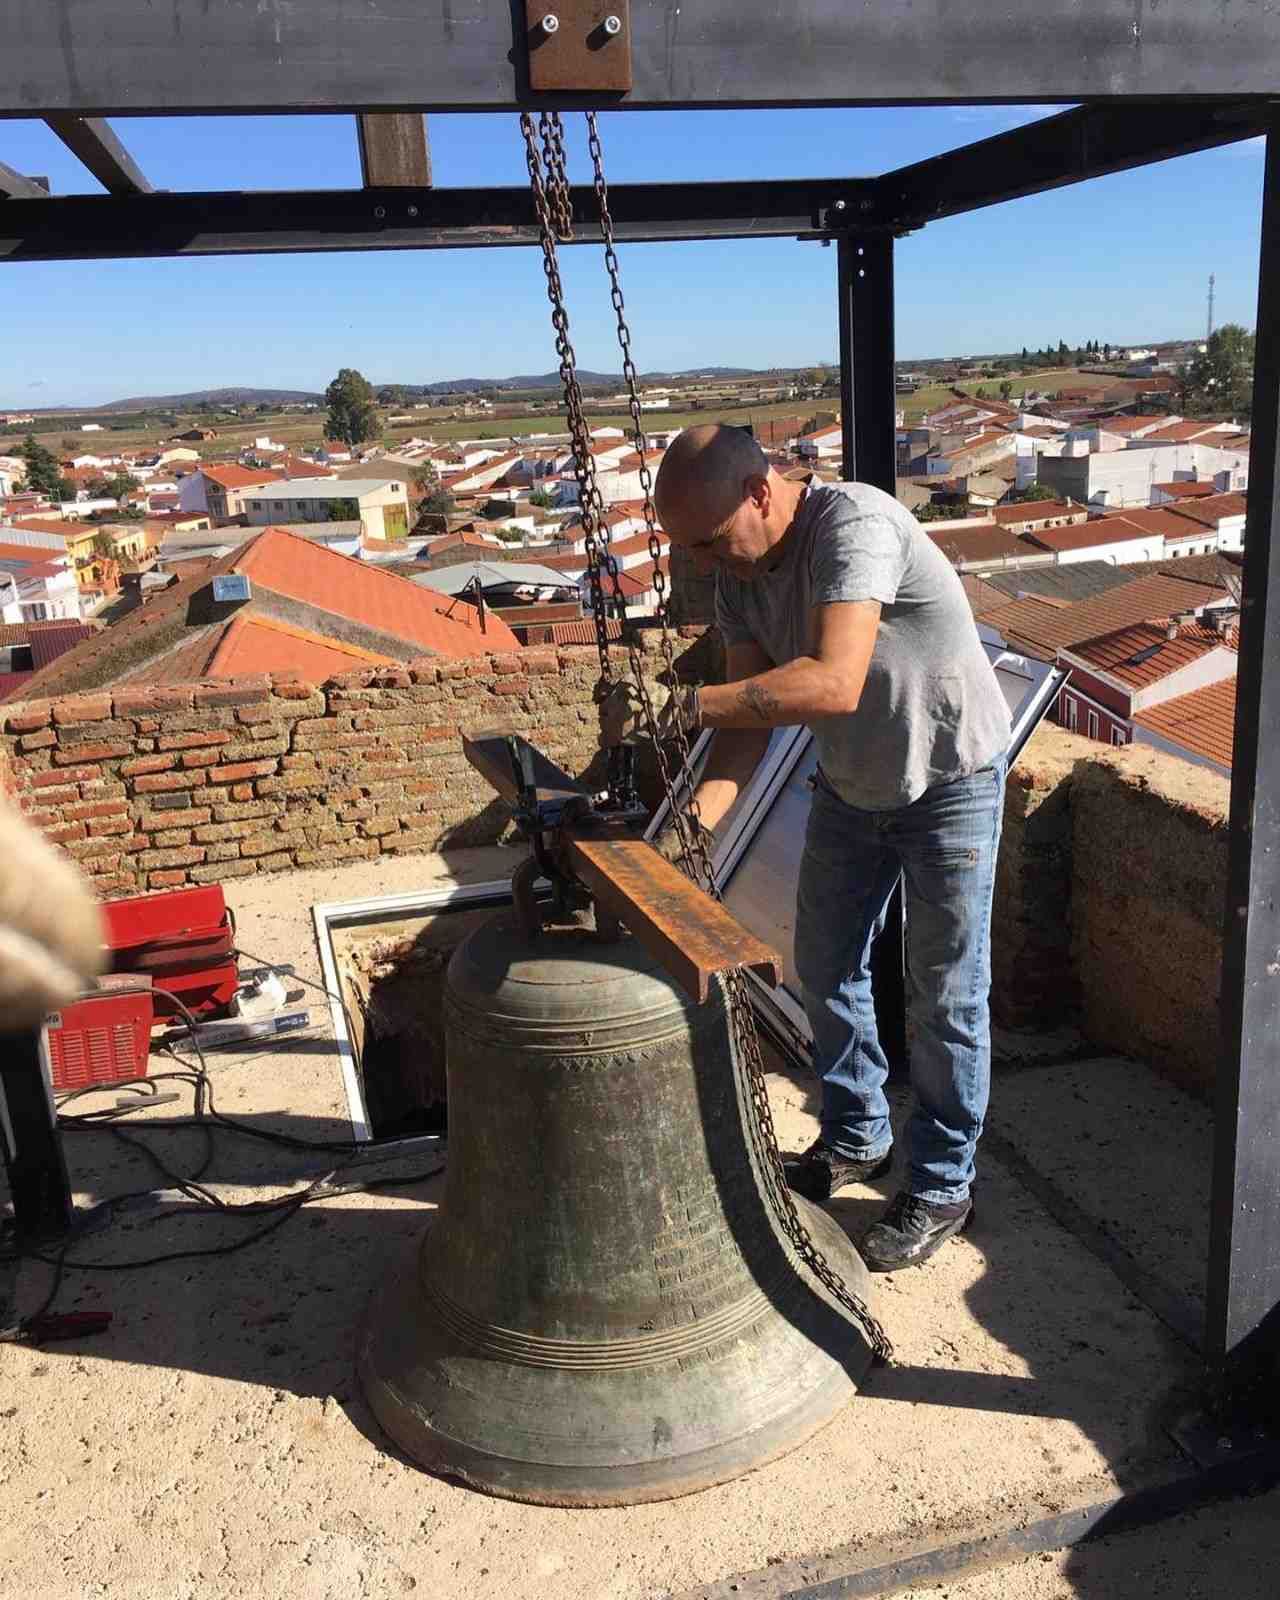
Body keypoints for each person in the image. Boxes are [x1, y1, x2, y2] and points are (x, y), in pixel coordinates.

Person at [601, 423, 1011, 1272]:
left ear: (760, 492)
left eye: (711, 540)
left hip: (949, 779)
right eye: (690, 548)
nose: (704, 562)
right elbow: (751, 725)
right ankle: (858, 1135)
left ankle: (943, 1184)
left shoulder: (853, 525)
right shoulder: (739, 577)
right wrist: (690, 836)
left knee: (945, 993)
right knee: (824, 966)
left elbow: (832, 680)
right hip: (853, 786)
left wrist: (683, 706)